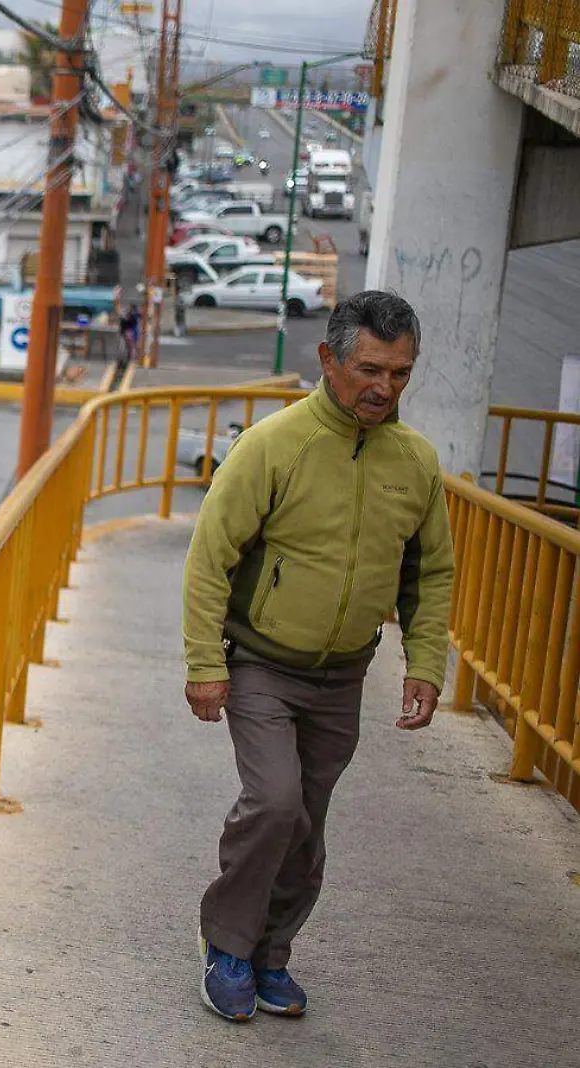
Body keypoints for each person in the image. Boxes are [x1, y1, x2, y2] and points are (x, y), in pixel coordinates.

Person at [180, 290, 453, 1023]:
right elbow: (211, 557)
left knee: (306, 822)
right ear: (328, 359)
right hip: (262, 664)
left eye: (400, 373)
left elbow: (429, 575)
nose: (383, 387)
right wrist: (205, 662)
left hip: (345, 674)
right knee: (273, 803)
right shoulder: (274, 445)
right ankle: (228, 946)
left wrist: (426, 664)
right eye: (370, 368)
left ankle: (272, 954)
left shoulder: (417, 464)